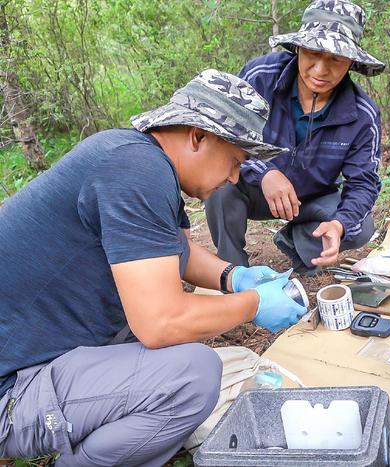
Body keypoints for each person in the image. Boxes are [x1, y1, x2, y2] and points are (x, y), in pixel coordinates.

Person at [0, 70, 307, 466]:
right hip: (12, 382)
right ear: (198, 136)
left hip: (30, 346)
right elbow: (160, 322)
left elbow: (174, 248)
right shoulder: (136, 170)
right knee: (193, 375)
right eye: (234, 161)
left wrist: (233, 277)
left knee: (178, 333)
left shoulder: (135, 155)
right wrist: (252, 304)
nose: (235, 178)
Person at [205, 0, 385, 276]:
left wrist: (338, 225)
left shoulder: (362, 114)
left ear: (351, 62)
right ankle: (232, 270)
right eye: (313, 52)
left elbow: (364, 182)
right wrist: (265, 172)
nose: (320, 70)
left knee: (359, 226)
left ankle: (297, 243)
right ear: (299, 48)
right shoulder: (260, 77)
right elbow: (226, 137)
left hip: (310, 200)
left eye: (336, 58)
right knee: (220, 188)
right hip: (252, 189)